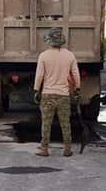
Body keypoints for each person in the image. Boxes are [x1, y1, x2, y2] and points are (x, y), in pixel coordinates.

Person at [33, 27, 80, 157]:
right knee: (65, 123)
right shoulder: (70, 55)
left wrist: (36, 90)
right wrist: (77, 89)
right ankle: (67, 149)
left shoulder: (43, 56)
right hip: (63, 95)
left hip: (47, 95)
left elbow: (39, 76)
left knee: (46, 123)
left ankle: (44, 149)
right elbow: (75, 74)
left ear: (49, 40)